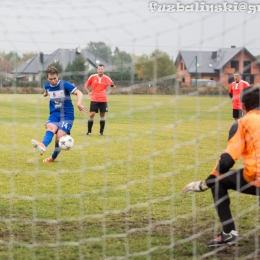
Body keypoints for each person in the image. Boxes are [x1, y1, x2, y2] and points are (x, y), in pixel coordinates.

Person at [183, 85, 260, 247]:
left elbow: (227, 160)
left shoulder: (243, 122)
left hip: (257, 176)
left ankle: (229, 233)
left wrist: (206, 183)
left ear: (243, 106)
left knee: (219, 181)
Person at [31, 66, 87, 162]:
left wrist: (79, 103)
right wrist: (45, 93)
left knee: (59, 138)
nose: (53, 81)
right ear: (47, 79)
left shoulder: (64, 85)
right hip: (54, 113)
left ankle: (52, 157)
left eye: (55, 79)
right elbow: (47, 90)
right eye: (51, 79)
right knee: (51, 127)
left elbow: (79, 93)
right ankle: (43, 145)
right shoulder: (47, 86)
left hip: (67, 115)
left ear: (58, 77)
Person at [85, 64, 116, 136]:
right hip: (94, 98)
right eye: (99, 69)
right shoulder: (92, 77)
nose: (100, 70)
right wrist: (89, 92)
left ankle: (101, 132)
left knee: (102, 115)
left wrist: (108, 92)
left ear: (104, 70)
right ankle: (89, 131)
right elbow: (86, 85)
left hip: (103, 99)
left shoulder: (107, 78)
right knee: (91, 114)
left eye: (102, 69)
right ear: (97, 70)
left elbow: (114, 86)